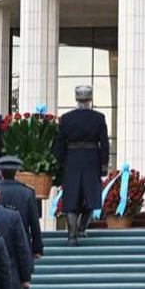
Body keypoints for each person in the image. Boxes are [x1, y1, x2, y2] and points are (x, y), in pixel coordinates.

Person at [52, 85, 110, 246]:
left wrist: (63, 162)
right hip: (92, 160)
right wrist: (103, 164)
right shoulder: (99, 117)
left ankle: (72, 236)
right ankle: (82, 228)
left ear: (76, 98)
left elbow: (59, 145)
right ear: (90, 99)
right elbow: (104, 143)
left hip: (72, 161)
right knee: (90, 196)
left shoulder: (66, 118)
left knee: (72, 197)